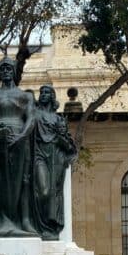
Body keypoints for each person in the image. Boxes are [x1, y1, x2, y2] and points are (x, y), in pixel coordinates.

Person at [0, 57, 37, 236]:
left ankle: (25, 220)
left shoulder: (26, 96)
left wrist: (22, 136)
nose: (5, 71)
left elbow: (31, 118)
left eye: (8, 68)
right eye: (3, 69)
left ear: (14, 71)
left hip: (20, 138)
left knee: (24, 179)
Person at [33, 85, 77, 240]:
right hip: (39, 155)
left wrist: (60, 138)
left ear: (52, 97)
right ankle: (39, 225)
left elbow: (68, 143)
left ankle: (51, 226)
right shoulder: (34, 115)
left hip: (56, 156)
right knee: (43, 190)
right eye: (42, 92)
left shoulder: (59, 119)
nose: (43, 95)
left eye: (47, 92)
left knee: (54, 191)